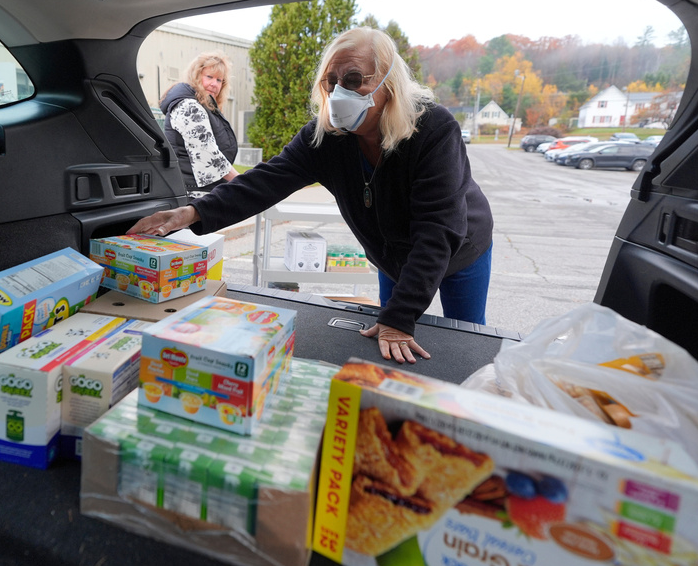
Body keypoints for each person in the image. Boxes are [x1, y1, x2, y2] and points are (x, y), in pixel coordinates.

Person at [128, 27, 494, 364]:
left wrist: (400, 318)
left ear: (389, 83)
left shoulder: (433, 128)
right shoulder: (325, 138)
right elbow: (264, 182)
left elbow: (438, 228)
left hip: (461, 248)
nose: (339, 92)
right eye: (331, 81)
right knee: (391, 340)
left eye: (353, 80)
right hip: (393, 257)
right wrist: (192, 212)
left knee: (465, 341)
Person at [161, 51, 239, 196]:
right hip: (192, 195)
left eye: (219, 80)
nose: (214, 84)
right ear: (195, 76)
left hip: (204, 192)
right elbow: (208, 155)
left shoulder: (205, 106)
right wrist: (243, 182)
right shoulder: (189, 106)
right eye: (209, 77)